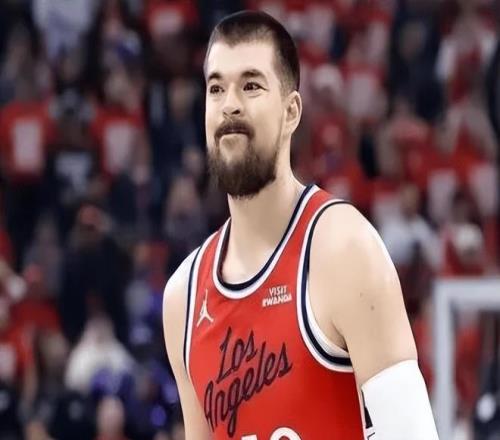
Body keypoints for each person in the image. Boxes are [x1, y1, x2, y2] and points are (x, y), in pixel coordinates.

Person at [163, 10, 439, 440]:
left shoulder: (343, 248)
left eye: (251, 85)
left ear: (291, 111)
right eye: (216, 88)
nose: (230, 103)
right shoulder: (182, 297)